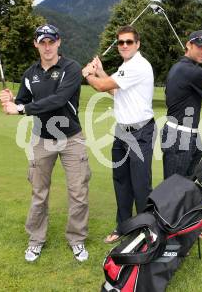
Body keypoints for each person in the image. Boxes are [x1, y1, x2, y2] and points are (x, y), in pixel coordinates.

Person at [0, 24, 91, 262]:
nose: (47, 47)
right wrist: (11, 101)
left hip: (71, 138)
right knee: (39, 193)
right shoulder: (30, 74)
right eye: (43, 42)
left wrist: (21, 108)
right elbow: (21, 101)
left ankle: (77, 239)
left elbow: (59, 100)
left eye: (51, 42)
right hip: (42, 140)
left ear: (59, 42)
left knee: (78, 192)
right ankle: (36, 240)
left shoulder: (70, 68)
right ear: (36, 44)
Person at [82, 25, 155, 244]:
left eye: (129, 42)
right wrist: (101, 72)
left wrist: (88, 75)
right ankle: (123, 226)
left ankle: (145, 230)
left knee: (141, 185)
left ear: (137, 44)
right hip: (122, 132)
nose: (124, 45)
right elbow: (115, 89)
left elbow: (103, 87)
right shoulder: (126, 66)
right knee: (121, 181)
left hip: (140, 132)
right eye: (121, 42)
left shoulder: (138, 65)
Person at [161, 30, 202, 179]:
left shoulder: (177, 67)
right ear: (188, 45)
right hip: (181, 135)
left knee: (187, 180)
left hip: (181, 132)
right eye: (200, 47)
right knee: (174, 187)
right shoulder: (195, 72)